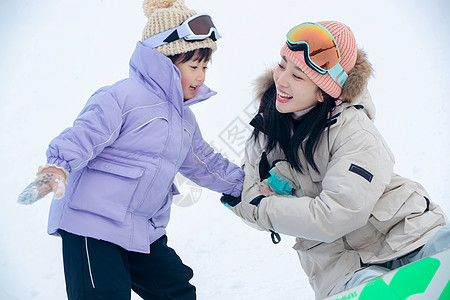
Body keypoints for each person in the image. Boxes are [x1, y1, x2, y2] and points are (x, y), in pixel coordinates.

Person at [17, 0, 244, 299]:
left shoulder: (184, 119)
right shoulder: (123, 97)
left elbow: (205, 163)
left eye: (204, 66)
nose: (201, 76)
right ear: (165, 61)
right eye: (193, 66)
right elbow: (84, 135)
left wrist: (245, 185)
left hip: (141, 230)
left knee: (176, 290)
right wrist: (56, 169)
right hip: (91, 224)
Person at [221, 21, 449, 299]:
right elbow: (248, 199)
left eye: (299, 76)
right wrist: (253, 201)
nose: (281, 80)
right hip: (341, 267)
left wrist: (266, 205)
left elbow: (337, 213)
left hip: (409, 235)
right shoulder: (265, 135)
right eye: (282, 65)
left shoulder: (354, 130)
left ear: (323, 92)